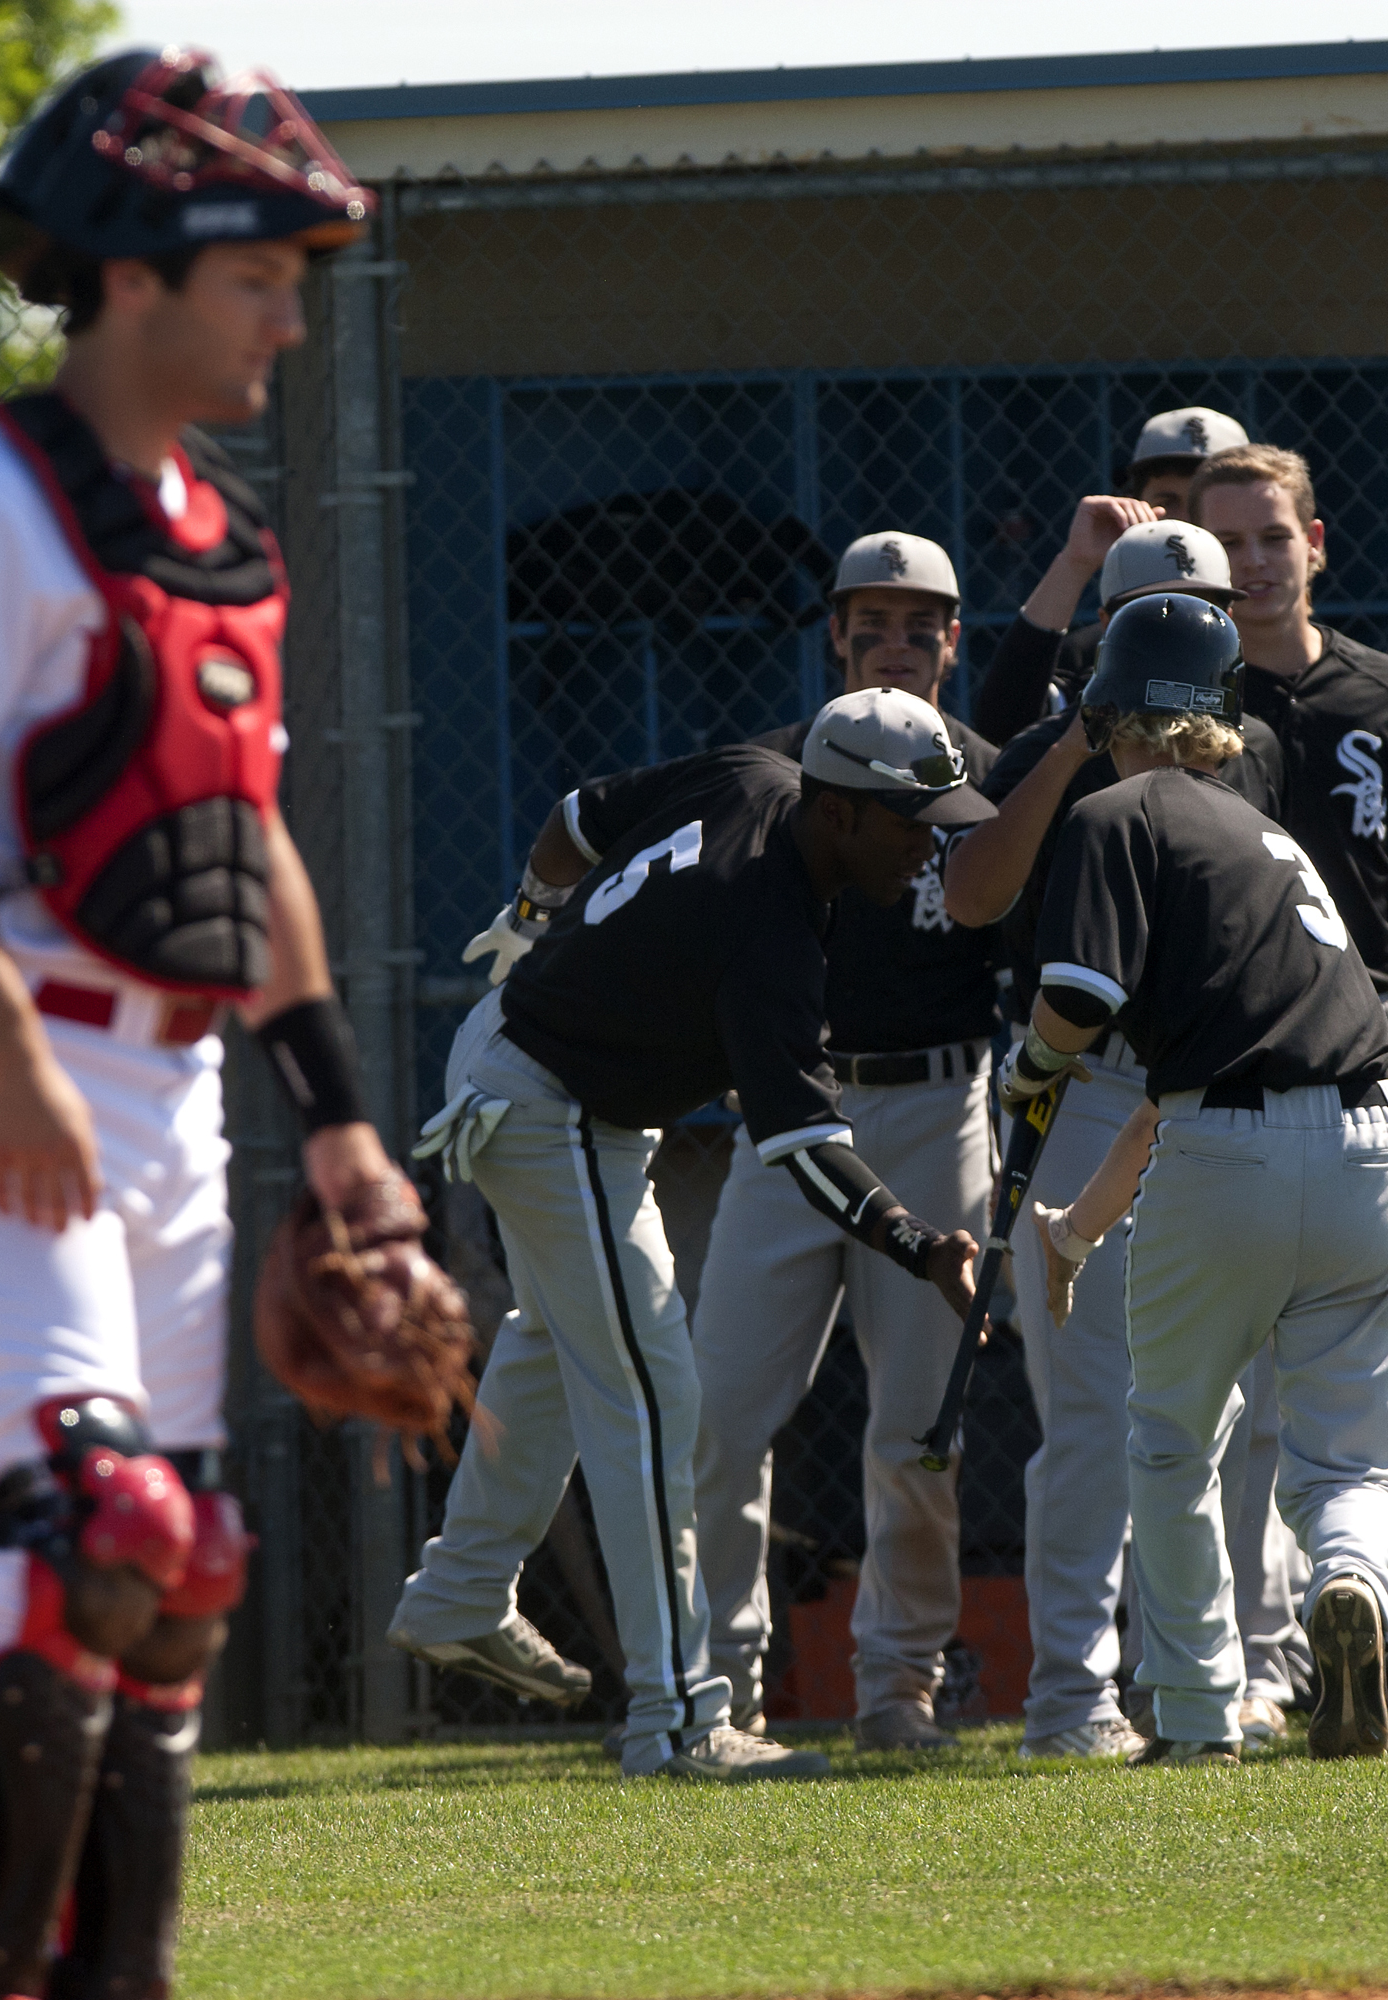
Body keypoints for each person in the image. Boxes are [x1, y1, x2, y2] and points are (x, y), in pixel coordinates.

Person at [0, 50, 401, 1999]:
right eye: (257, 277)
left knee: (184, 1563)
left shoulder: (220, 534)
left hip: (178, 1084)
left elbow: (242, 846)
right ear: (132, 273)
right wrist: (8, 1047)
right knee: (88, 1523)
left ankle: (122, 1975)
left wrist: (340, 1123)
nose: (291, 316)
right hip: (5, 1071)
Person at [393, 689, 997, 1781]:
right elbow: (806, 1144)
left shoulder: (747, 772)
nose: (927, 844)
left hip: (538, 1068)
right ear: (843, 811)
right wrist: (919, 1242)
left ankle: (461, 1590)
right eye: (910, 820)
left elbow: (578, 817)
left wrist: (531, 910)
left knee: (564, 1338)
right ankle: (675, 1718)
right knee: (652, 1392)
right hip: (546, 1101)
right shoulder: (765, 923)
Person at [1016, 591, 1388, 1765]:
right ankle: (1352, 1580)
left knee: (1171, 1440)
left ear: (1106, 704)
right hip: (1367, 1142)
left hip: (1222, 1150)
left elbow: (1077, 999)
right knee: (1346, 1453)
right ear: (1222, 712)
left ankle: (1193, 1715)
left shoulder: (1120, 811)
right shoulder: (1263, 836)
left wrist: (1025, 1073)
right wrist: (1079, 1223)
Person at [944, 524, 1295, 1760]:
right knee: (1090, 1412)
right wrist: (1077, 744)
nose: (1177, 626)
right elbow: (968, 894)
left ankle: (1214, 1674)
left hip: (1200, 1092)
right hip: (1081, 1085)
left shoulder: (1251, 753)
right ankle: (1069, 1698)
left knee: (1234, 1396)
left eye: (1195, 603)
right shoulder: (1053, 747)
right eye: (1152, 604)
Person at [689, 532, 1001, 1750]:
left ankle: (896, 1684)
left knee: (918, 1421)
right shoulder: (777, 774)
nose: (894, 642)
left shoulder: (976, 776)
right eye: (870, 621)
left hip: (935, 1103)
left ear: (952, 640)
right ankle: (717, 1680)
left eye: (919, 623)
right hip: (791, 1111)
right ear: (832, 633)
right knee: (720, 1406)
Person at [1189, 444, 1388, 997]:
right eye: (1229, 543)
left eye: (1275, 537)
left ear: (1314, 542)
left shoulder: (1379, 691)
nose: (1253, 559)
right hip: (1232, 1007)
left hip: (1375, 1000)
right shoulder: (1185, 700)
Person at [974, 406, 1250, 745]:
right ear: (1137, 504)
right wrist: (1074, 563)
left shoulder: (1271, 635)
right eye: (1169, 500)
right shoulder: (1109, 642)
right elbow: (1001, 730)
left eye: (1204, 502)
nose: (1188, 520)